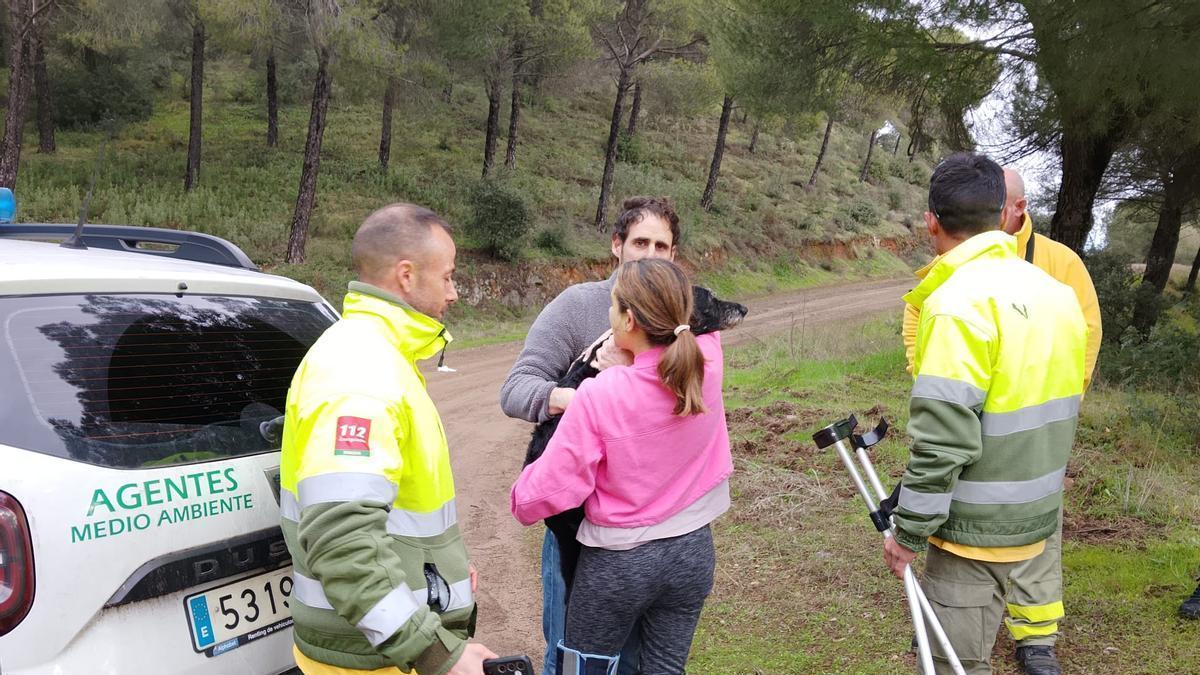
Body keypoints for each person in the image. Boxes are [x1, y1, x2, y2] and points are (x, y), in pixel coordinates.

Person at [884, 154, 1088, 675]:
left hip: (970, 533)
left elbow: (943, 442)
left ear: (932, 221)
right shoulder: (1059, 297)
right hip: (1039, 517)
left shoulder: (957, 305)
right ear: (1004, 217)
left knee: (957, 664)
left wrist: (907, 532)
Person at [280, 204, 496, 675]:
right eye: (448, 276)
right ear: (406, 275)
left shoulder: (382, 357)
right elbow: (341, 539)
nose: (454, 292)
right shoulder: (360, 369)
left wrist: (439, 563)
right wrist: (436, 652)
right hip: (372, 662)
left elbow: (400, 510)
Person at [510, 258, 732, 675]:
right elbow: (701, 331)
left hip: (619, 564)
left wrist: (519, 492)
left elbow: (538, 497)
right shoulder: (708, 362)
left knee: (586, 670)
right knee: (666, 668)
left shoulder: (600, 394)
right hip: (693, 552)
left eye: (613, 307)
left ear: (628, 319)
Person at [500, 196, 680, 675]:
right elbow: (516, 390)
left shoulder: (679, 318)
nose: (650, 253)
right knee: (571, 654)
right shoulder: (579, 306)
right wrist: (583, 398)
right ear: (617, 245)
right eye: (640, 241)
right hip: (576, 522)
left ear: (673, 255)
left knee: (639, 660)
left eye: (662, 245)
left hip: (652, 525)